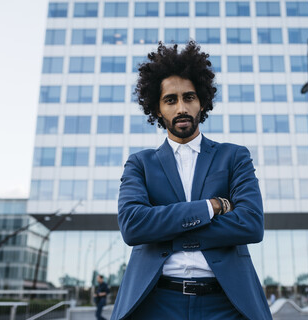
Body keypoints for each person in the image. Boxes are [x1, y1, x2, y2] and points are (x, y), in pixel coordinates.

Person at [111, 41, 272, 320]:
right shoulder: (140, 163)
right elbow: (133, 226)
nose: (181, 107)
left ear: (202, 102)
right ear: (158, 109)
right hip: (155, 302)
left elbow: (251, 224)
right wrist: (210, 207)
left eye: (189, 97)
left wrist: (163, 229)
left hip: (225, 303)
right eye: (170, 100)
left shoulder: (234, 156)